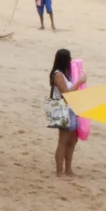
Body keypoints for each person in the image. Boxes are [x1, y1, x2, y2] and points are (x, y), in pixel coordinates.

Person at [46, 50, 79, 179]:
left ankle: (68, 169)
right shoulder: (58, 75)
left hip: (71, 109)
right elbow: (66, 94)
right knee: (63, 140)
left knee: (73, 140)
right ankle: (60, 171)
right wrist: (79, 82)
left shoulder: (65, 74)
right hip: (63, 109)